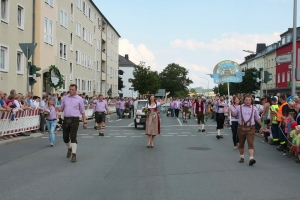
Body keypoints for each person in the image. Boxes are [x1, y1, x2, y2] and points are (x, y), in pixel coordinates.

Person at [230, 94, 262, 166]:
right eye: (246, 100)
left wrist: (262, 126)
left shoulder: (254, 108)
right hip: (241, 128)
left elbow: (257, 118)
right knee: (241, 144)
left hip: (251, 128)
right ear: (244, 100)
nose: (248, 101)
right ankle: (242, 157)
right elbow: (234, 115)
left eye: (249, 100)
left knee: (250, 144)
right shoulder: (239, 107)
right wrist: (231, 111)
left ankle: (251, 158)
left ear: (251, 100)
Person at [58, 84, 87, 162]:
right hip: (66, 119)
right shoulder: (65, 98)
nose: (71, 91)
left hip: (75, 119)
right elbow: (62, 108)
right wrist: (56, 108)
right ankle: (69, 148)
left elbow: (83, 111)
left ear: (76, 90)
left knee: (73, 137)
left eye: (72, 89)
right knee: (65, 137)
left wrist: (85, 122)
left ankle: (74, 154)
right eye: (70, 89)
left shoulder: (79, 99)